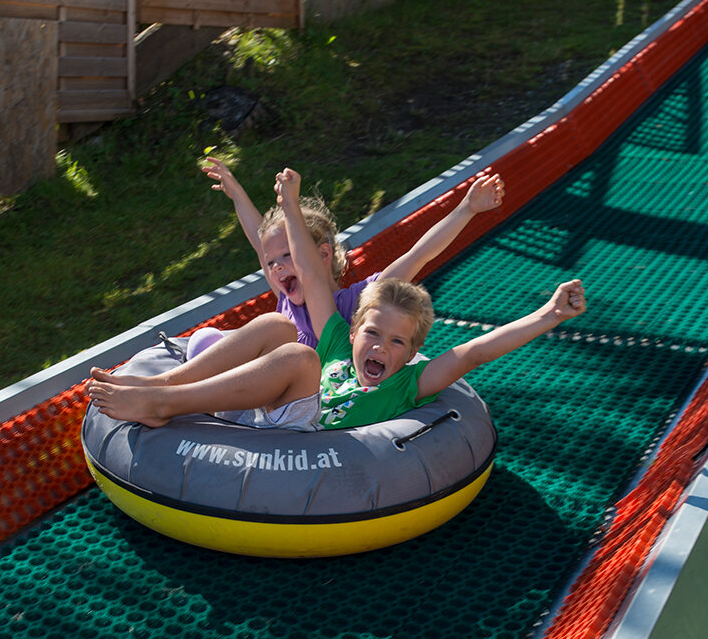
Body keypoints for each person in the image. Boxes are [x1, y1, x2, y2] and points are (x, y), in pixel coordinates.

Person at [86, 169, 586, 432]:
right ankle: (163, 388)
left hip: (300, 410)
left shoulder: (393, 358)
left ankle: (163, 400)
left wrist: (547, 314)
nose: (379, 347)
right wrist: (264, 201)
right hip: (274, 397)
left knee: (294, 348)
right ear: (354, 333)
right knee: (277, 330)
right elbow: (283, 255)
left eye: (393, 341)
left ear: (411, 353)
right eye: (372, 334)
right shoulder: (335, 342)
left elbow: (472, 349)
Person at [197, 156, 506, 348]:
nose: (276, 268)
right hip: (275, 384)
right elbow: (258, 237)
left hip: (314, 400)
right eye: (271, 262)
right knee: (212, 338)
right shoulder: (285, 296)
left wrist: (467, 209)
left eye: (288, 256)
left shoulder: (361, 299)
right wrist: (236, 193)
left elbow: (418, 255)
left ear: (322, 254)